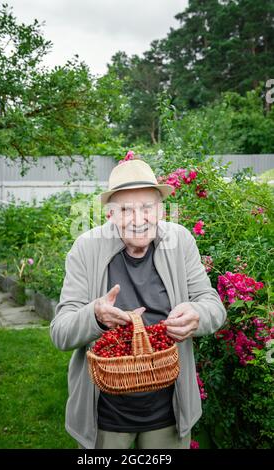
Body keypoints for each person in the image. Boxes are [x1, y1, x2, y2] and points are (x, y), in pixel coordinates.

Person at [50, 157, 227, 449]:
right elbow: (60, 332)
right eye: (125, 210)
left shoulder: (180, 241)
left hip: (169, 409)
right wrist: (94, 315)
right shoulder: (86, 248)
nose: (138, 218)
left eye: (146, 207)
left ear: (160, 209)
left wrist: (198, 313)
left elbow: (213, 306)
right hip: (105, 414)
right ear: (109, 214)